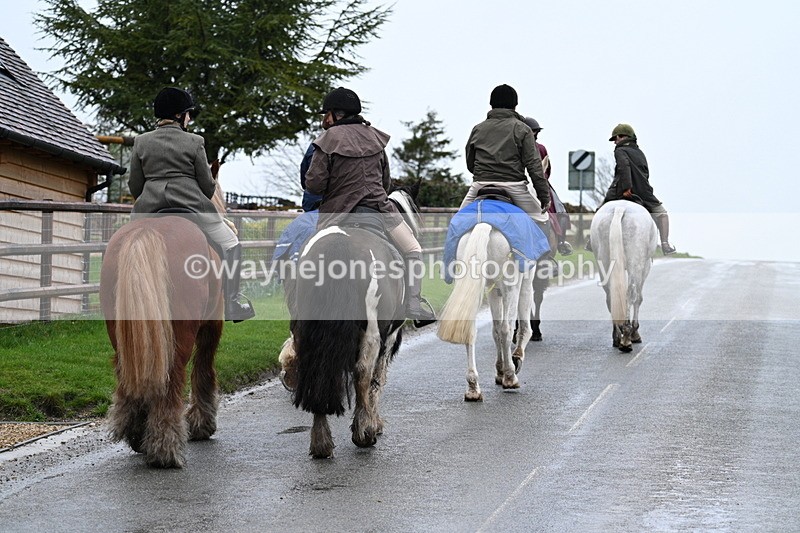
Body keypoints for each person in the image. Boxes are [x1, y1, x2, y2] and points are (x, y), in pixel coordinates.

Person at [304, 87, 436, 325]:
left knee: (307, 255)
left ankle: (301, 307)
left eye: (327, 114)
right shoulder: (375, 138)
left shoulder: (326, 141)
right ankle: (414, 305)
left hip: (338, 215)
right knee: (413, 249)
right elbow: (385, 182)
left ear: (339, 114)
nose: (324, 120)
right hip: (380, 211)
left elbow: (313, 185)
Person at [128, 87, 256, 322]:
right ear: (179, 116)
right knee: (231, 242)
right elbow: (208, 188)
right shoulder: (195, 141)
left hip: (149, 209)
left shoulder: (141, 142)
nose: (189, 118)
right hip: (191, 209)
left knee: (123, 245)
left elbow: (134, 185)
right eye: (188, 113)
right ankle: (233, 302)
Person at [461, 85, 551, 233]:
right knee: (542, 219)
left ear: (491, 104)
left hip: (480, 185)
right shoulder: (522, 129)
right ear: (515, 105)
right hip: (514, 186)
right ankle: (542, 256)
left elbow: (470, 162)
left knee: (457, 221)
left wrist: (484, 173)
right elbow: (534, 166)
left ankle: (450, 256)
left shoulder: (477, 129)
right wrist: (544, 196)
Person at [602, 123, 676, 255]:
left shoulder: (619, 151)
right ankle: (665, 244)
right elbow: (645, 172)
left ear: (622, 137)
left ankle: (591, 240)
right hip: (644, 192)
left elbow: (624, 167)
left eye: (615, 139)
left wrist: (627, 188)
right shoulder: (639, 152)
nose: (614, 142)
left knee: (600, 212)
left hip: (620, 191)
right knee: (662, 214)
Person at [522, 116, 573, 256]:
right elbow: (547, 171)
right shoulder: (540, 148)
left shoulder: (515, 146)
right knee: (560, 211)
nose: (534, 134)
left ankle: (561, 243)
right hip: (537, 184)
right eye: (534, 132)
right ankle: (561, 242)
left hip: (518, 183)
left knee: (561, 210)